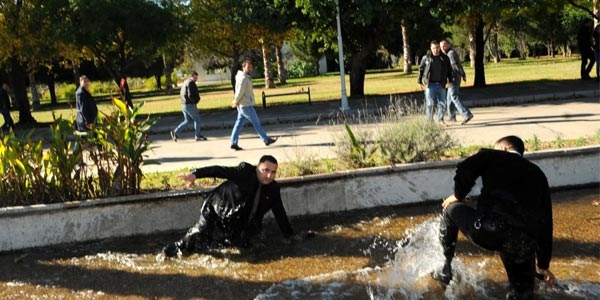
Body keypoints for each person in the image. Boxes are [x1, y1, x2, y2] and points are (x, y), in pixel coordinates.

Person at [433, 135, 556, 300]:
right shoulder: (538, 174)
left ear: (504, 148)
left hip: (489, 228)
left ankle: (445, 268)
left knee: (450, 208)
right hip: (522, 241)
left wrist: (458, 195)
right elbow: (546, 222)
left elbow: (465, 168)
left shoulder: (492, 155)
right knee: (523, 293)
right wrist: (543, 264)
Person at [161, 155, 299, 257]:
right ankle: (170, 252)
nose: (269, 175)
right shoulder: (245, 171)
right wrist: (196, 174)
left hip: (237, 219)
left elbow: (279, 212)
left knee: (245, 247)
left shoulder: (273, 189)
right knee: (197, 237)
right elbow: (220, 170)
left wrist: (291, 236)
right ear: (258, 168)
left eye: (273, 172)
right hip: (216, 208)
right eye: (265, 170)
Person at [230, 59, 277, 151]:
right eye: (248, 67)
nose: (250, 68)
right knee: (256, 123)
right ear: (243, 67)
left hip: (243, 104)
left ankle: (233, 142)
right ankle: (266, 139)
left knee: (238, 124)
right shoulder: (243, 78)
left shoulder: (242, 77)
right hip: (246, 105)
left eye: (251, 67)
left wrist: (237, 101)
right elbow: (240, 92)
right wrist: (236, 101)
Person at [417, 40, 453, 123]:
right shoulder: (426, 58)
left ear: (439, 48)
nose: (435, 50)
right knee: (430, 104)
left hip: (441, 84)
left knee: (442, 104)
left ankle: (441, 120)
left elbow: (449, 70)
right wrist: (419, 82)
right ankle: (430, 122)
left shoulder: (444, 58)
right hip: (430, 85)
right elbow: (421, 69)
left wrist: (450, 80)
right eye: (433, 48)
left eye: (437, 48)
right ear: (431, 48)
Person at [440, 40, 473, 125]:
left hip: (453, 79)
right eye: (441, 47)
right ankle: (451, 117)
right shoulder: (449, 53)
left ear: (448, 45)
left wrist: (462, 74)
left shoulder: (450, 54)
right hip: (452, 79)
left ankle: (467, 114)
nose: (442, 48)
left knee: (454, 97)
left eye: (444, 45)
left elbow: (455, 66)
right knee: (449, 98)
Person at [171, 71, 206, 142]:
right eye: (195, 77)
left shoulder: (185, 82)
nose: (196, 79)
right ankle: (198, 136)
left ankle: (175, 132)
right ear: (192, 76)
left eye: (197, 77)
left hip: (184, 104)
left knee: (187, 120)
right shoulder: (191, 83)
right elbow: (190, 95)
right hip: (190, 105)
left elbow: (182, 93)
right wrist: (195, 102)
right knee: (197, 120)